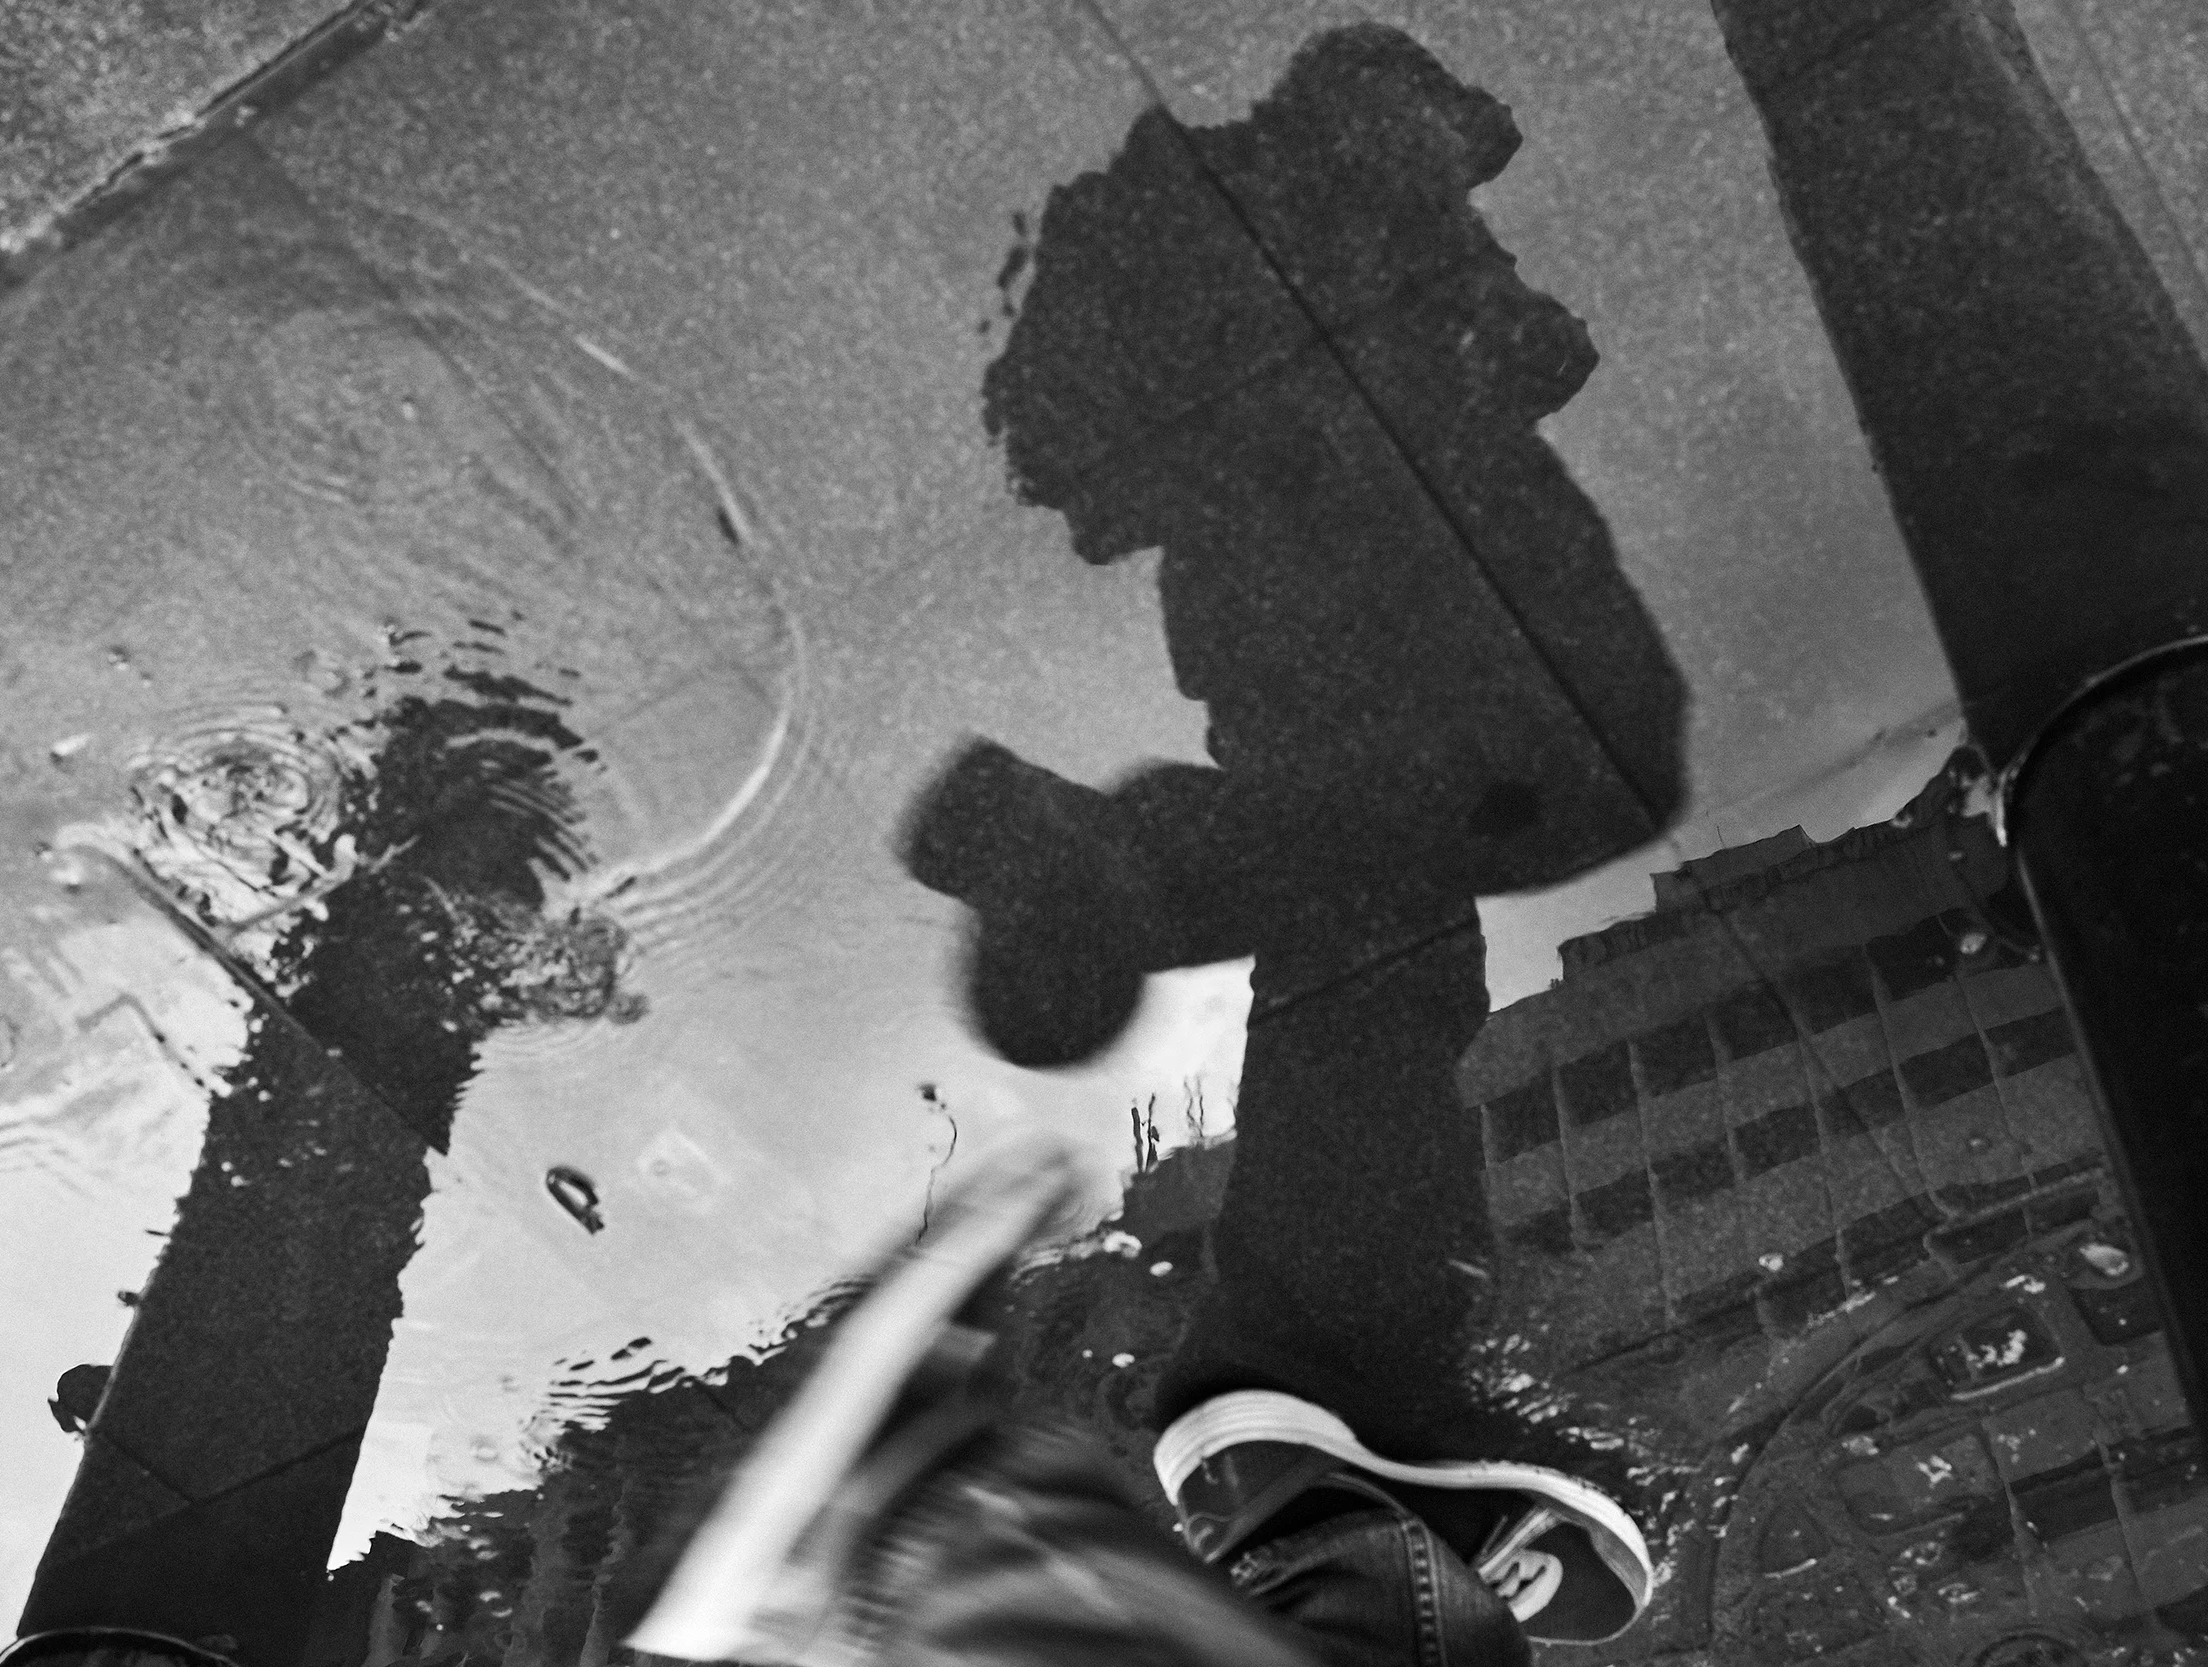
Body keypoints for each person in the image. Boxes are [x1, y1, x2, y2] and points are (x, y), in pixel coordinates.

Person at [632, 23, 1686, 1667]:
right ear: (1367, 106)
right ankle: (1332, 1365)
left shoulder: (1272, 217)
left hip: (1319, 549)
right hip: (1359, 527)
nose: (1467, 137)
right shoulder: (1310, 205)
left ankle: (1327, 1355)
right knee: (1495, 840)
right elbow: (1401, 334)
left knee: (1433, 891)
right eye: (1436, 114)